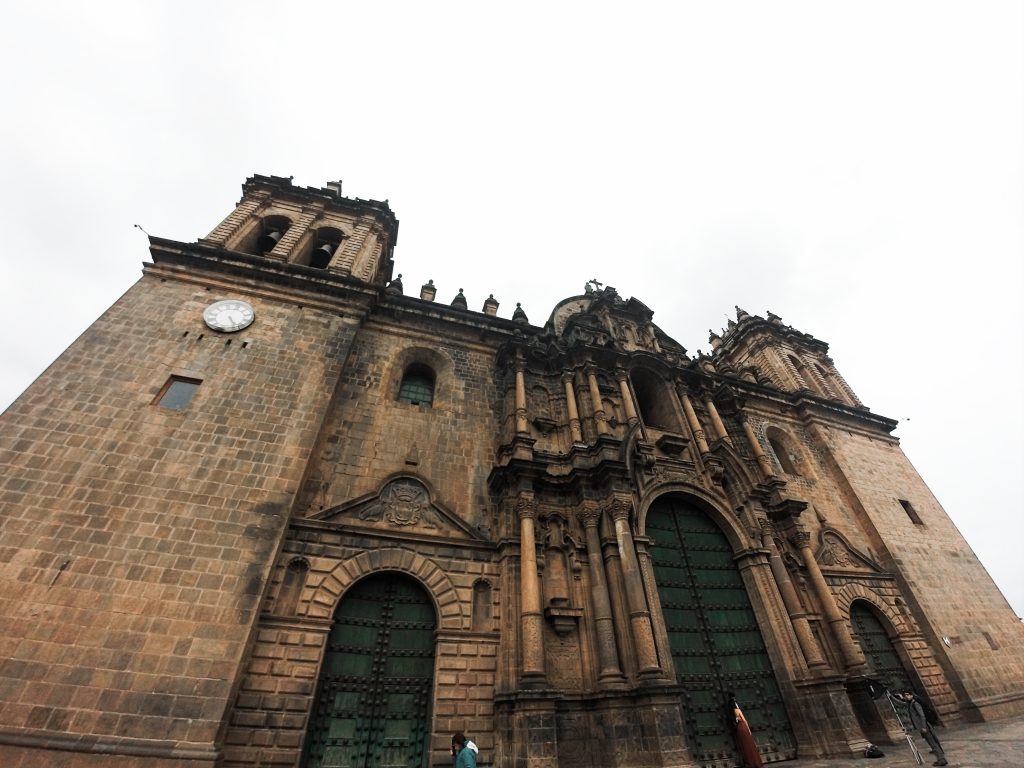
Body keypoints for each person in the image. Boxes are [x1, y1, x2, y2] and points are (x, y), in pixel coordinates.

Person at [899, 691, 947, 766]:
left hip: (924, 726)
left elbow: (922, 716)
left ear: (911, 695)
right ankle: (941, 758)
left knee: (933, 743)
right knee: (932, 742)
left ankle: (941, 760)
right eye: (905, 696)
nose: (906, 697)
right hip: (922, 727)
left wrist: (924, 727)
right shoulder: (910, 703)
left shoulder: (915, 703)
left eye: (907, 695)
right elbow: (903, 703)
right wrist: (893, 697)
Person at [725, 692, 764, 768]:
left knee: (744, 745)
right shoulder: (738, 710)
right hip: (743, 727)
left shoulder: (732, 711)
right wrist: (748, 729)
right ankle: (755, 761)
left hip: (739, 728)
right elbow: (745, 720)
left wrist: (736, 719)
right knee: (750, 744)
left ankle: (748, 762)